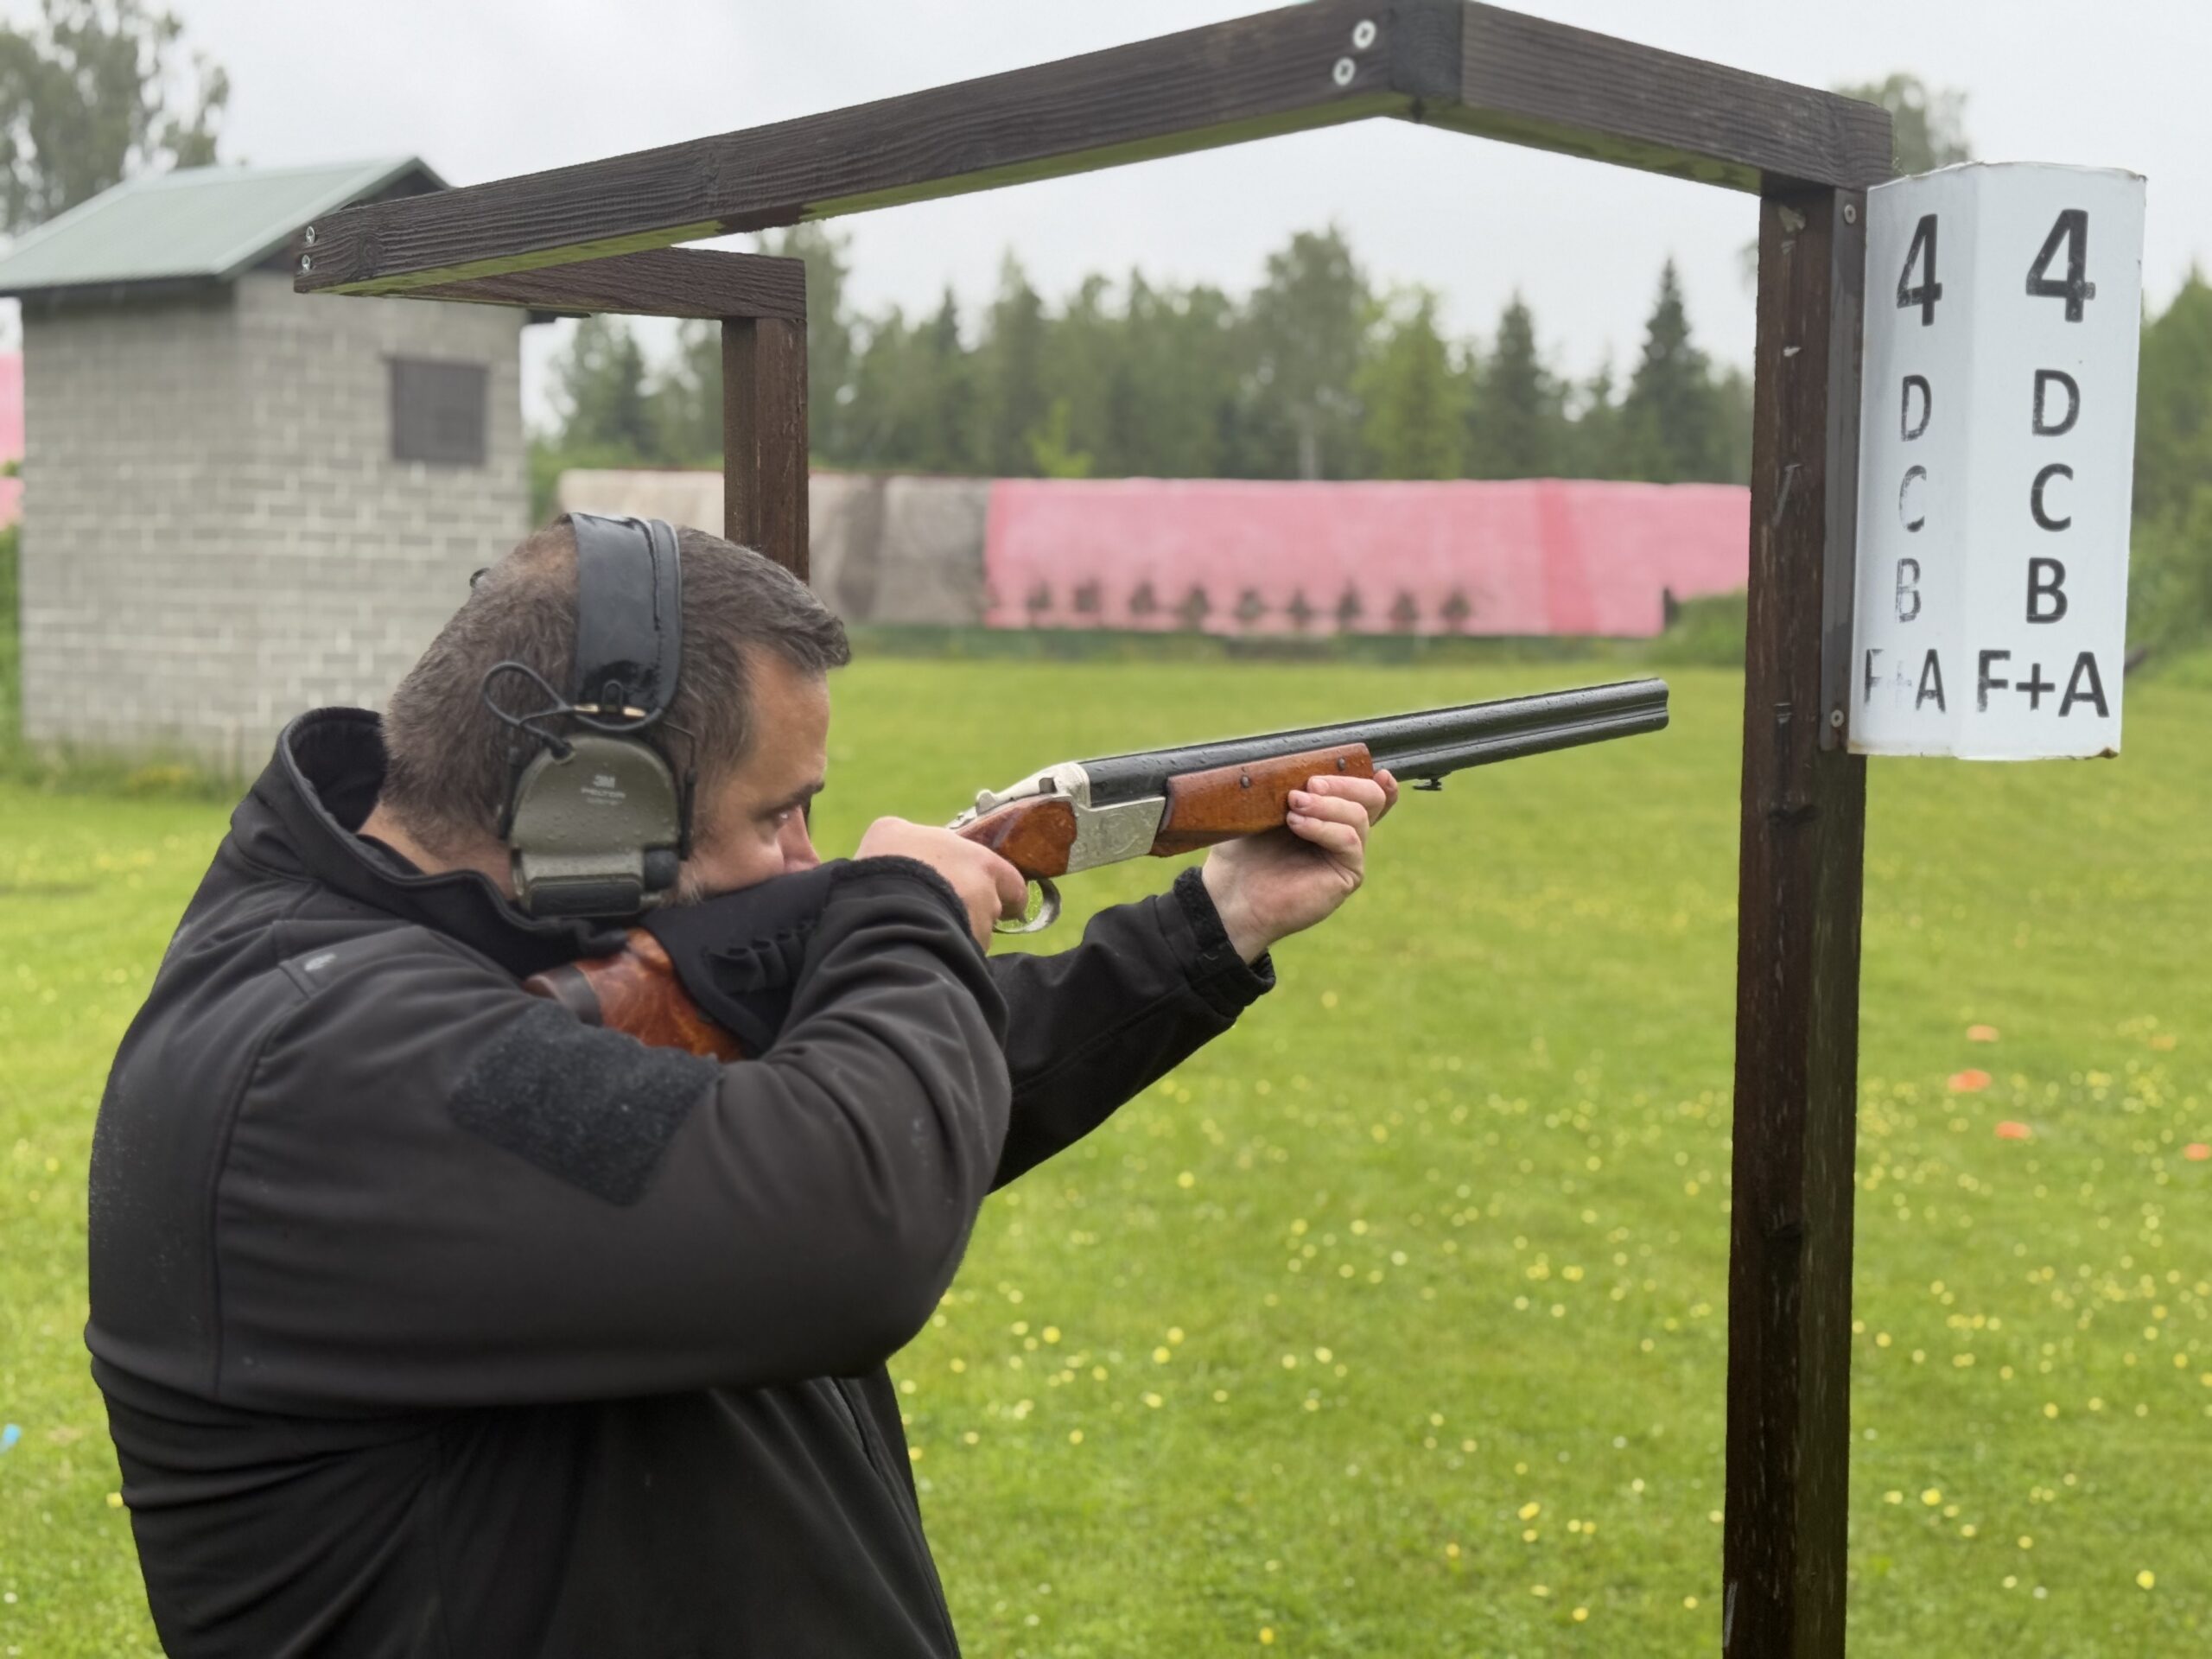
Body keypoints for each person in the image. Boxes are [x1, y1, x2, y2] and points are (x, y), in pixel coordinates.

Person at [86, 518, 1394, 1657]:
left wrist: (1205, 931)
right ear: (592, 804)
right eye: (779, 816)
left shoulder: (473, 967)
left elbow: (865, 1101)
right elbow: (846, 1211)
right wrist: (906, 909)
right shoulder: (327, 1060)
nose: (807, 863)